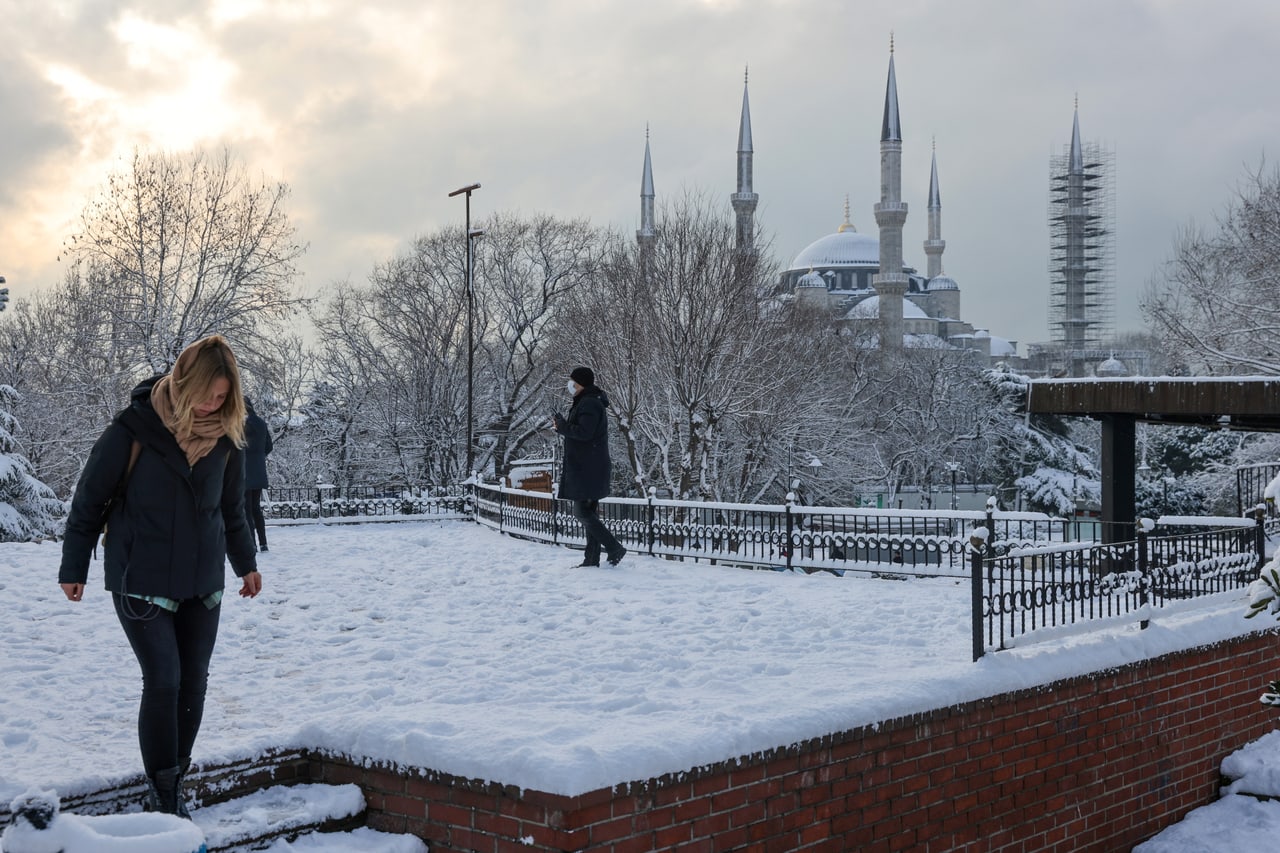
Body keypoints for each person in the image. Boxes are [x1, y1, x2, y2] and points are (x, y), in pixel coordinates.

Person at [58, 335, 262, 819]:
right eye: (208, 395)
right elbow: (89, 500)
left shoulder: (228, 439)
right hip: (140, 577)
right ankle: (163, 793)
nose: (213, 405)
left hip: (202, 581)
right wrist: (74, 565)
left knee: (194, 683)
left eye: (222, 398)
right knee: (164, 679)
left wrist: (246, 564)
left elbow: (232, 510)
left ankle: (176, 777)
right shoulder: (132, 431)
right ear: (184, 382)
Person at [552, 366, 626, 567]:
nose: (570, 385)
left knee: (581, 513)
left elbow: (585, 433)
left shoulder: (590, 404)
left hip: (588, 469)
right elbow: (584, 430)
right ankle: (591, 559)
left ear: (581, 383)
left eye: (573, 381)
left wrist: (563, 427)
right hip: (590, 466)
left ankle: (614, 547)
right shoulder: (588, 402)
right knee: (588, 513)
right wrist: (564, 425)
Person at [242, 398, 273, 552]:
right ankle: (263, 543)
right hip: (259, 470)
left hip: (243, 471)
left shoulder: (241, 424)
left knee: (246, 509)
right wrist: (259, 457)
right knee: (256, 508)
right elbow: (269, 446)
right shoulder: (261, 423)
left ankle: (251, 543)